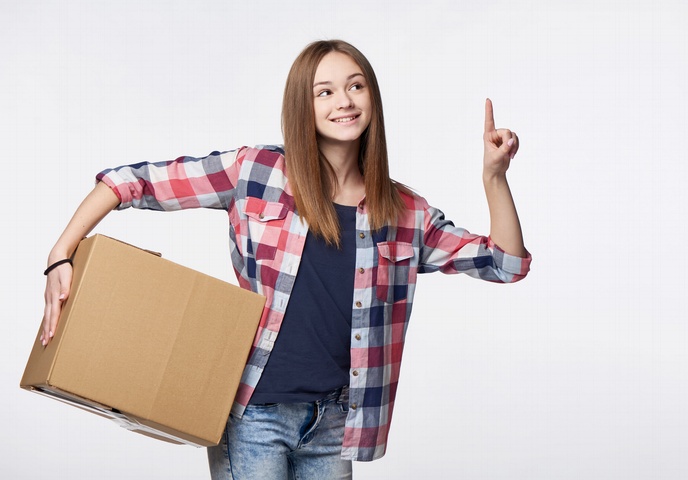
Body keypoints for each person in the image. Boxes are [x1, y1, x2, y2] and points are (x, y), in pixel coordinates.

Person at [41, 39, 531, 479]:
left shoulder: (404, 212)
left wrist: (494, 178)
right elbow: (131, 181)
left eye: (355, 86)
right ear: (304, 105)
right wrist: (60, 254)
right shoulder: (256, 171)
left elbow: (505, 263)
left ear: (372, 98)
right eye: (325, 91)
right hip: (253, 415)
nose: (344, 100)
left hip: (337, 421)